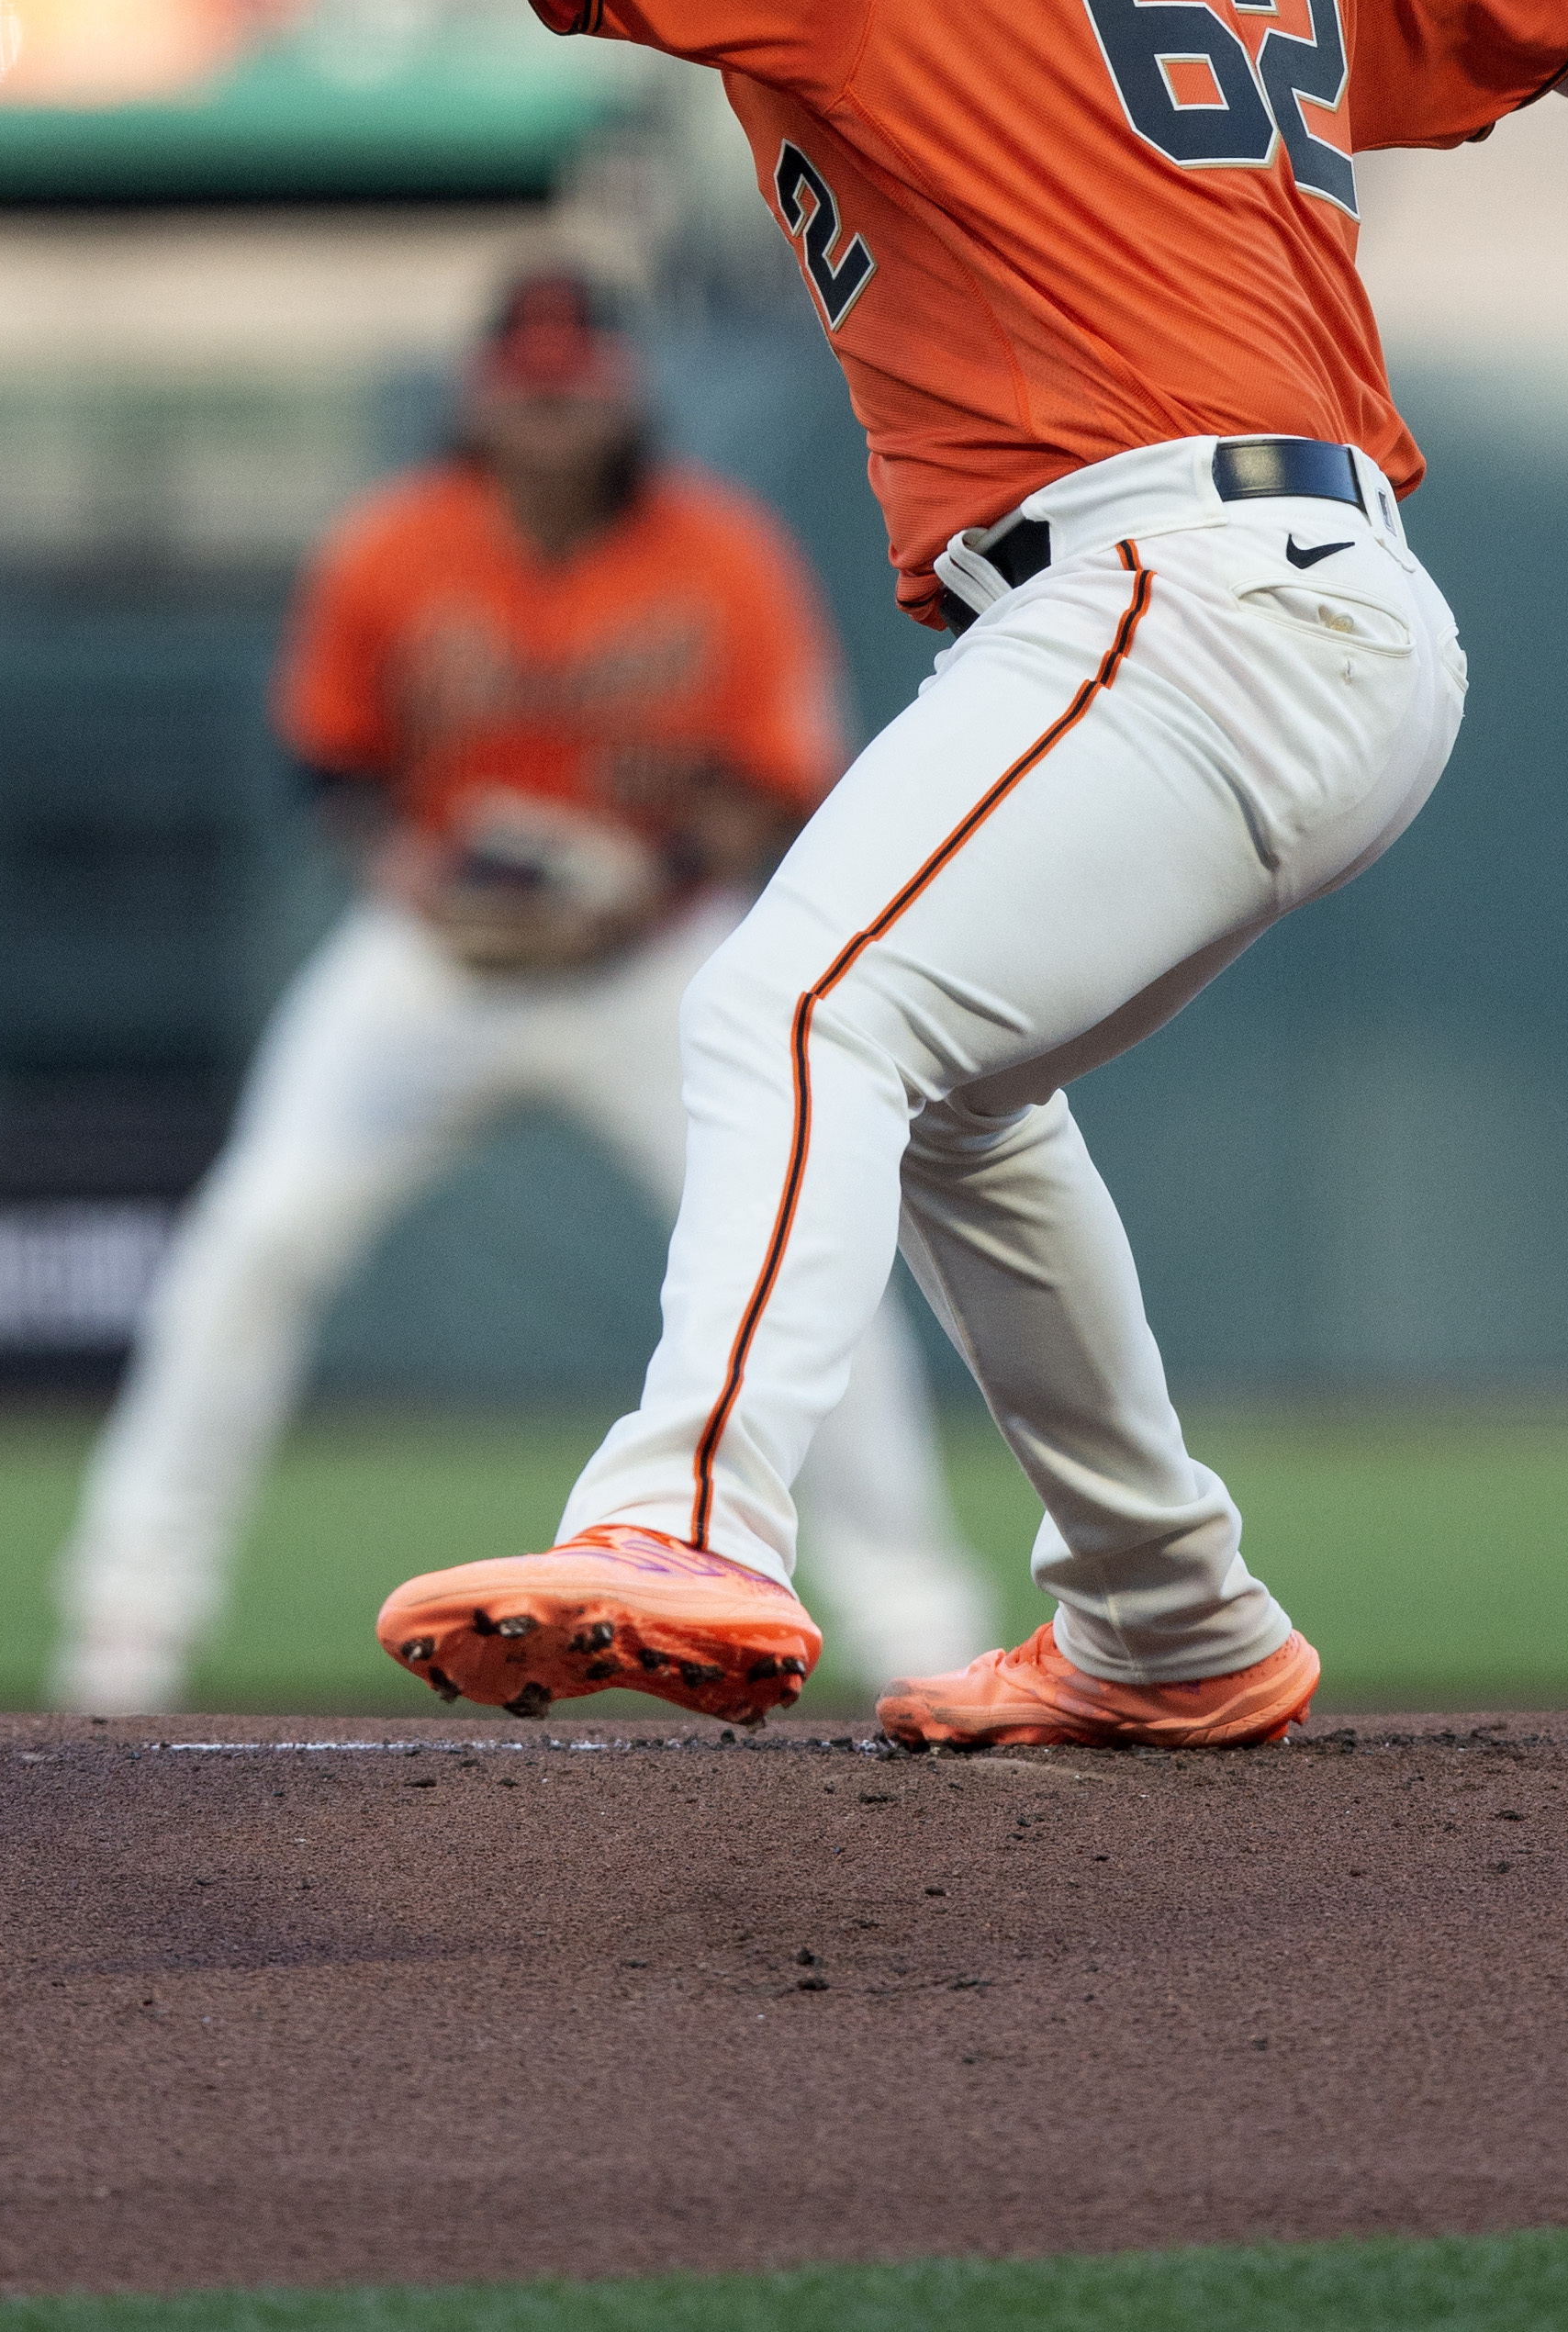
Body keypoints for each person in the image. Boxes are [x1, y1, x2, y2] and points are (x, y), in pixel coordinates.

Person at [0, 0, 1568, 1747]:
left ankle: (684, 1515)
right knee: (954, 1091)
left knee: (796, 1013)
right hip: (1314, 608)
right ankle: (1170, 1620)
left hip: (1176, 592)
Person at [50, 258, 994, 1714]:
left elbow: (781, 780)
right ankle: (127, 1625)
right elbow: (333, 765)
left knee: (797, 1261)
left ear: (617, 399)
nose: (551, 415)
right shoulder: (392, 546)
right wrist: (418, 880)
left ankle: (919, 1620)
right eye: (528, 390)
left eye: (573, 390)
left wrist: (652, 870)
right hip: (436, 964)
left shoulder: (720, 551)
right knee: (255, 1235)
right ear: (484, 401)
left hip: (655, 955)